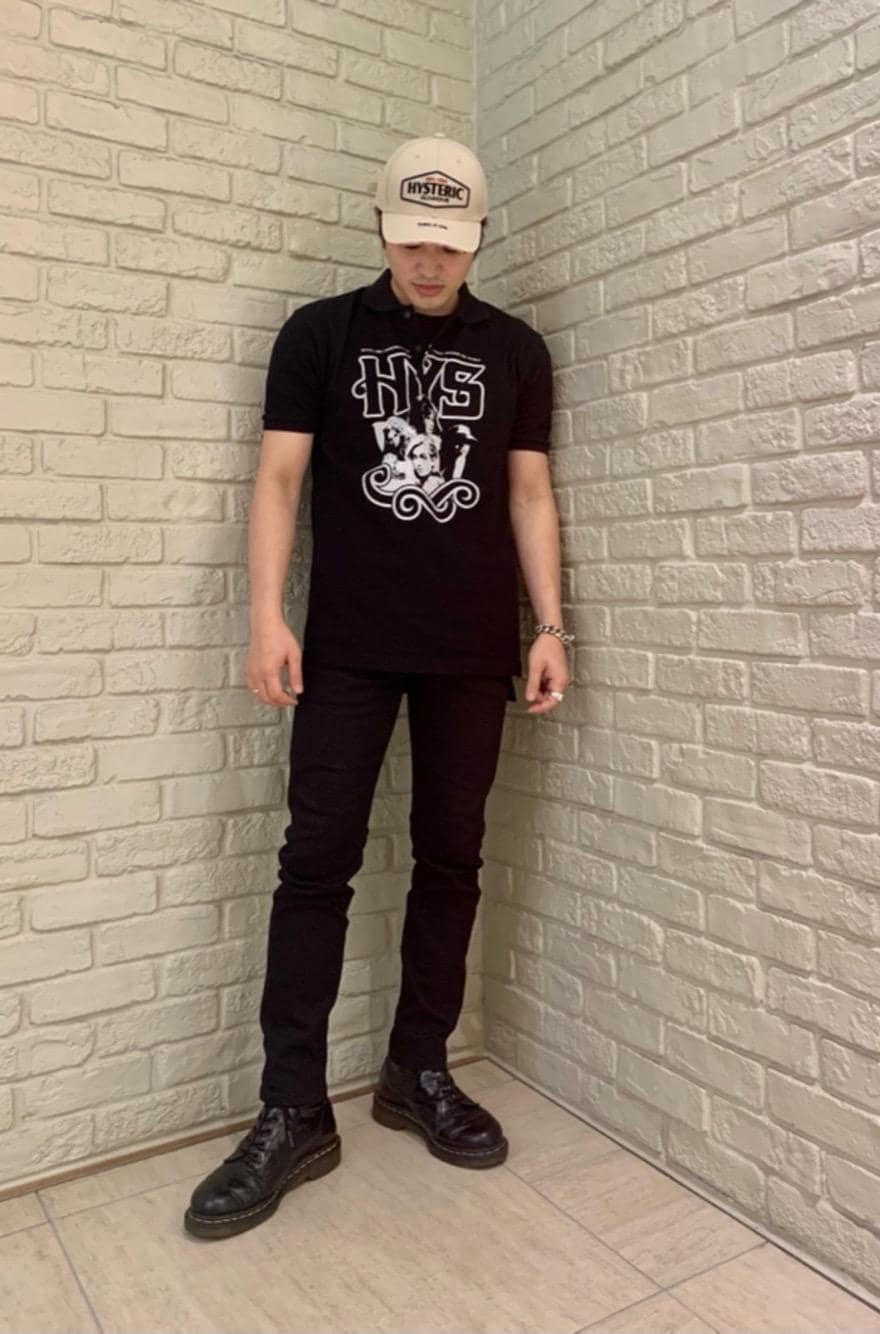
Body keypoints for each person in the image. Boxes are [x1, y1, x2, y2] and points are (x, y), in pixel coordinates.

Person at [184, 134, 572, 1240]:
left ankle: (418, 1070)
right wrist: (267, 616)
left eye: (448, 243)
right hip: (346, 646)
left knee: (452, 859)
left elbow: (528, 492)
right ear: (382, 228)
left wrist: (549, 624)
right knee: (315, 863)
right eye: (411, 240)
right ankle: (292, 1107)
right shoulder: (320, 334)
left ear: (478, 236)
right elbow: (279, 479)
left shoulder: (517, 350)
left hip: (470, 646)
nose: (428, 261)